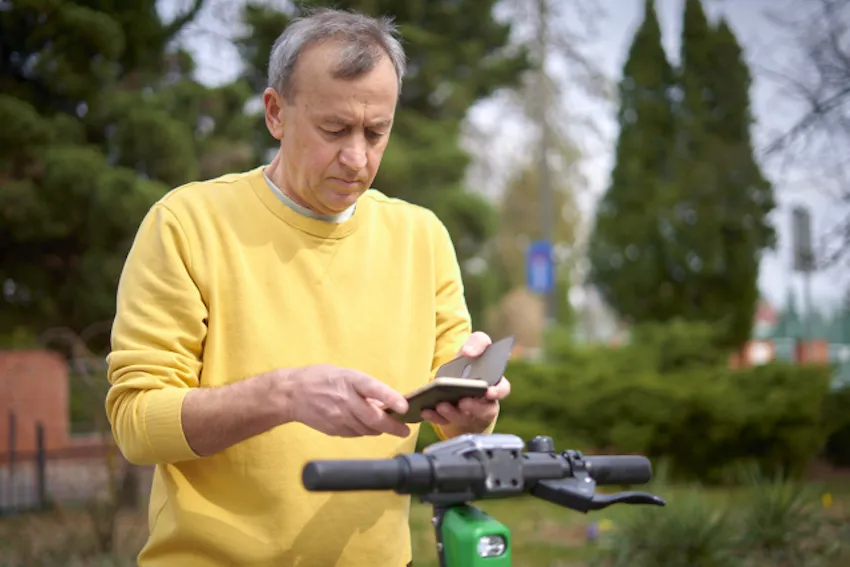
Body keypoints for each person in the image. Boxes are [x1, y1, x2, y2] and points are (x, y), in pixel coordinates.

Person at [104, 7, 511, 567]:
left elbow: (450, 425)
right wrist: (284, 395)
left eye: (377, 131)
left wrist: (471, 412)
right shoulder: (187, 223)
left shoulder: (422, 236)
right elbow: (135, 425)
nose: (357, 158)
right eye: (334, 129)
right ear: (275, 113)